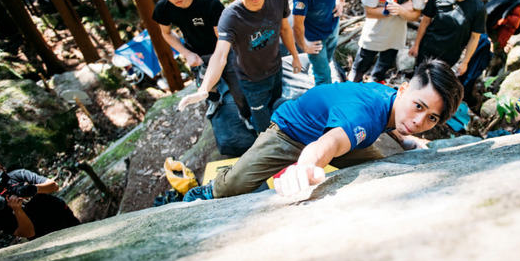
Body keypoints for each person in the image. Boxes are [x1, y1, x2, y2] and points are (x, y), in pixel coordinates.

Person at [183, 58, 463, 200]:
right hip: (290, 132)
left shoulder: (391, 100)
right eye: (418, 106)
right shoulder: (363, 116)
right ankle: (208, 190)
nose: (418, 121)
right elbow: (326, 145)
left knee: (380, 171)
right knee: (235, 184)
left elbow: (383, 122)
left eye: (431, 119)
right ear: (403, 90)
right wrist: (305, 167)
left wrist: (406, 142)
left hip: (336, 132)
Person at [177, 0, 302, 133]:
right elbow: (220, 55)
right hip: (252, 80)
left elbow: (285, 29)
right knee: (263, 127)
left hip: (275, 69)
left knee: (277, 106)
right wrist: (204, 89)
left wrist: (295, 56)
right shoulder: (231, 17)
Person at [152, 0, 251, 126]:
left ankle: (246, 116)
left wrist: (217, 62)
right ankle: (215, 101)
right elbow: (166, 33)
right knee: (207, 89)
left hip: (223, 50)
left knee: (239, 91)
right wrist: (187, 53)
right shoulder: (163, 8)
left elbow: (222, 40)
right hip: (196, 53)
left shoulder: (209, 3)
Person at [408, 0, 487, 77]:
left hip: (450, 55)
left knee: (436, 84)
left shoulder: (477, 7)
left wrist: (465, 62)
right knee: (419, 78)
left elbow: (475, 38)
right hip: (428, 48)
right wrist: (416, 45)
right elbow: (425, 21)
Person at [0, 162, 80, 240]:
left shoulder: (16, 176)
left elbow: (54, 186)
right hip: (42, 236)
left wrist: (33, 189)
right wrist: (17, 210)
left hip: (62, 215)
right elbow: (28, 233)